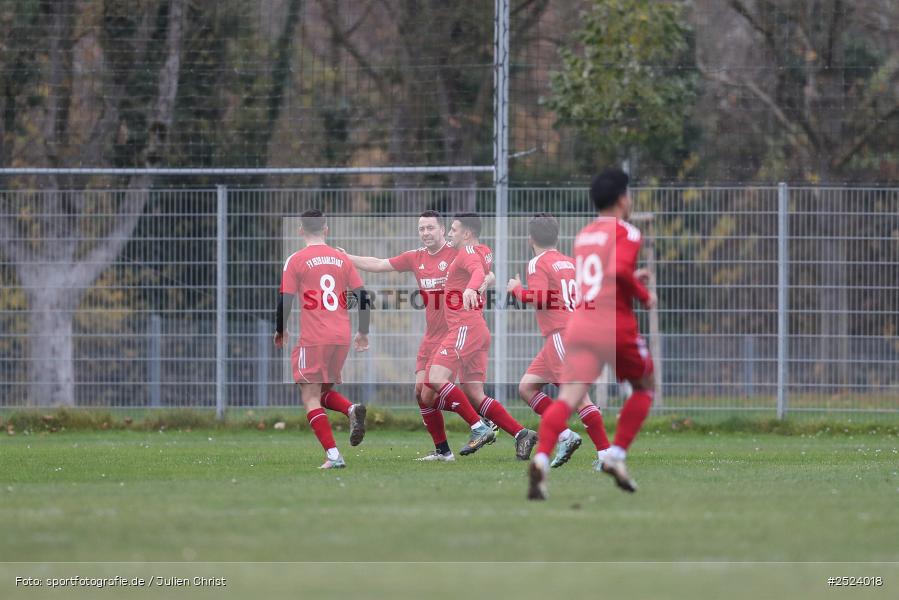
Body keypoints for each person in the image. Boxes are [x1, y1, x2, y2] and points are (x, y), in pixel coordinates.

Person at [528, 169, 657, 500]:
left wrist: (631, 278)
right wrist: (643, 295)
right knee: (644, 386)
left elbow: (602, 275)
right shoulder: (627, 231)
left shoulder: (584, 235)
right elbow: (617, 271)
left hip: (580, 324)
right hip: (612, 324)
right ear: (622, 199)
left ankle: (541, 459)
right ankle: (615, 454)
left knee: (568, 397)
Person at [340, 210, 495, 462]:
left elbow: (483, 269)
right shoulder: (416, 257)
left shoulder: (457, 250)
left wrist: (487, 279)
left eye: (430, 228)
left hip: (454, 332)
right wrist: (347, 258)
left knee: (436, 388)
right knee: (421, 395)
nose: (425, 233)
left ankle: (479, 424)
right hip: (430, 335)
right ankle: (444, 450)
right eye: (421, 228)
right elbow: (379, 264)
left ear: (442, 230)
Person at [424, 213, 538, 460]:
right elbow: (483, 269)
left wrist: (470, 288)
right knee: (474, 394)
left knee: (434, 378)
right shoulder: (483, 250)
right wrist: (486, 279)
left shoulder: (466, 252)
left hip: (464, 327)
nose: (450, 233)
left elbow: (476, 271)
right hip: (477, 329)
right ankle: (521, 434)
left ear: (466, 233)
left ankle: (479, 427)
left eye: (453, 229)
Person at [507, 213, 611, 469]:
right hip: (570, 334)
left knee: (580, 397)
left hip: (562, 335)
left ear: (530, 239)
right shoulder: (571, 263)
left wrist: (516, 290)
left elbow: (540, 297)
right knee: (527, 387)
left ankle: (607, 456)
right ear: (557, 236)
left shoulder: (537, 263)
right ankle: (565, 436)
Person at [275, 209, 372, 469]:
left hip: (315, 337)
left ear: (300, 230)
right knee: (322, 391)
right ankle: (350, 410)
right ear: (326, 229)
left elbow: (285, 300)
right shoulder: (341, 259)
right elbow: (363, 297)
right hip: (341, 337)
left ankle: (333, 455)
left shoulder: (296, 260)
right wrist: (363, 332)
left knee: (309, 396)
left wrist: (281, 329)